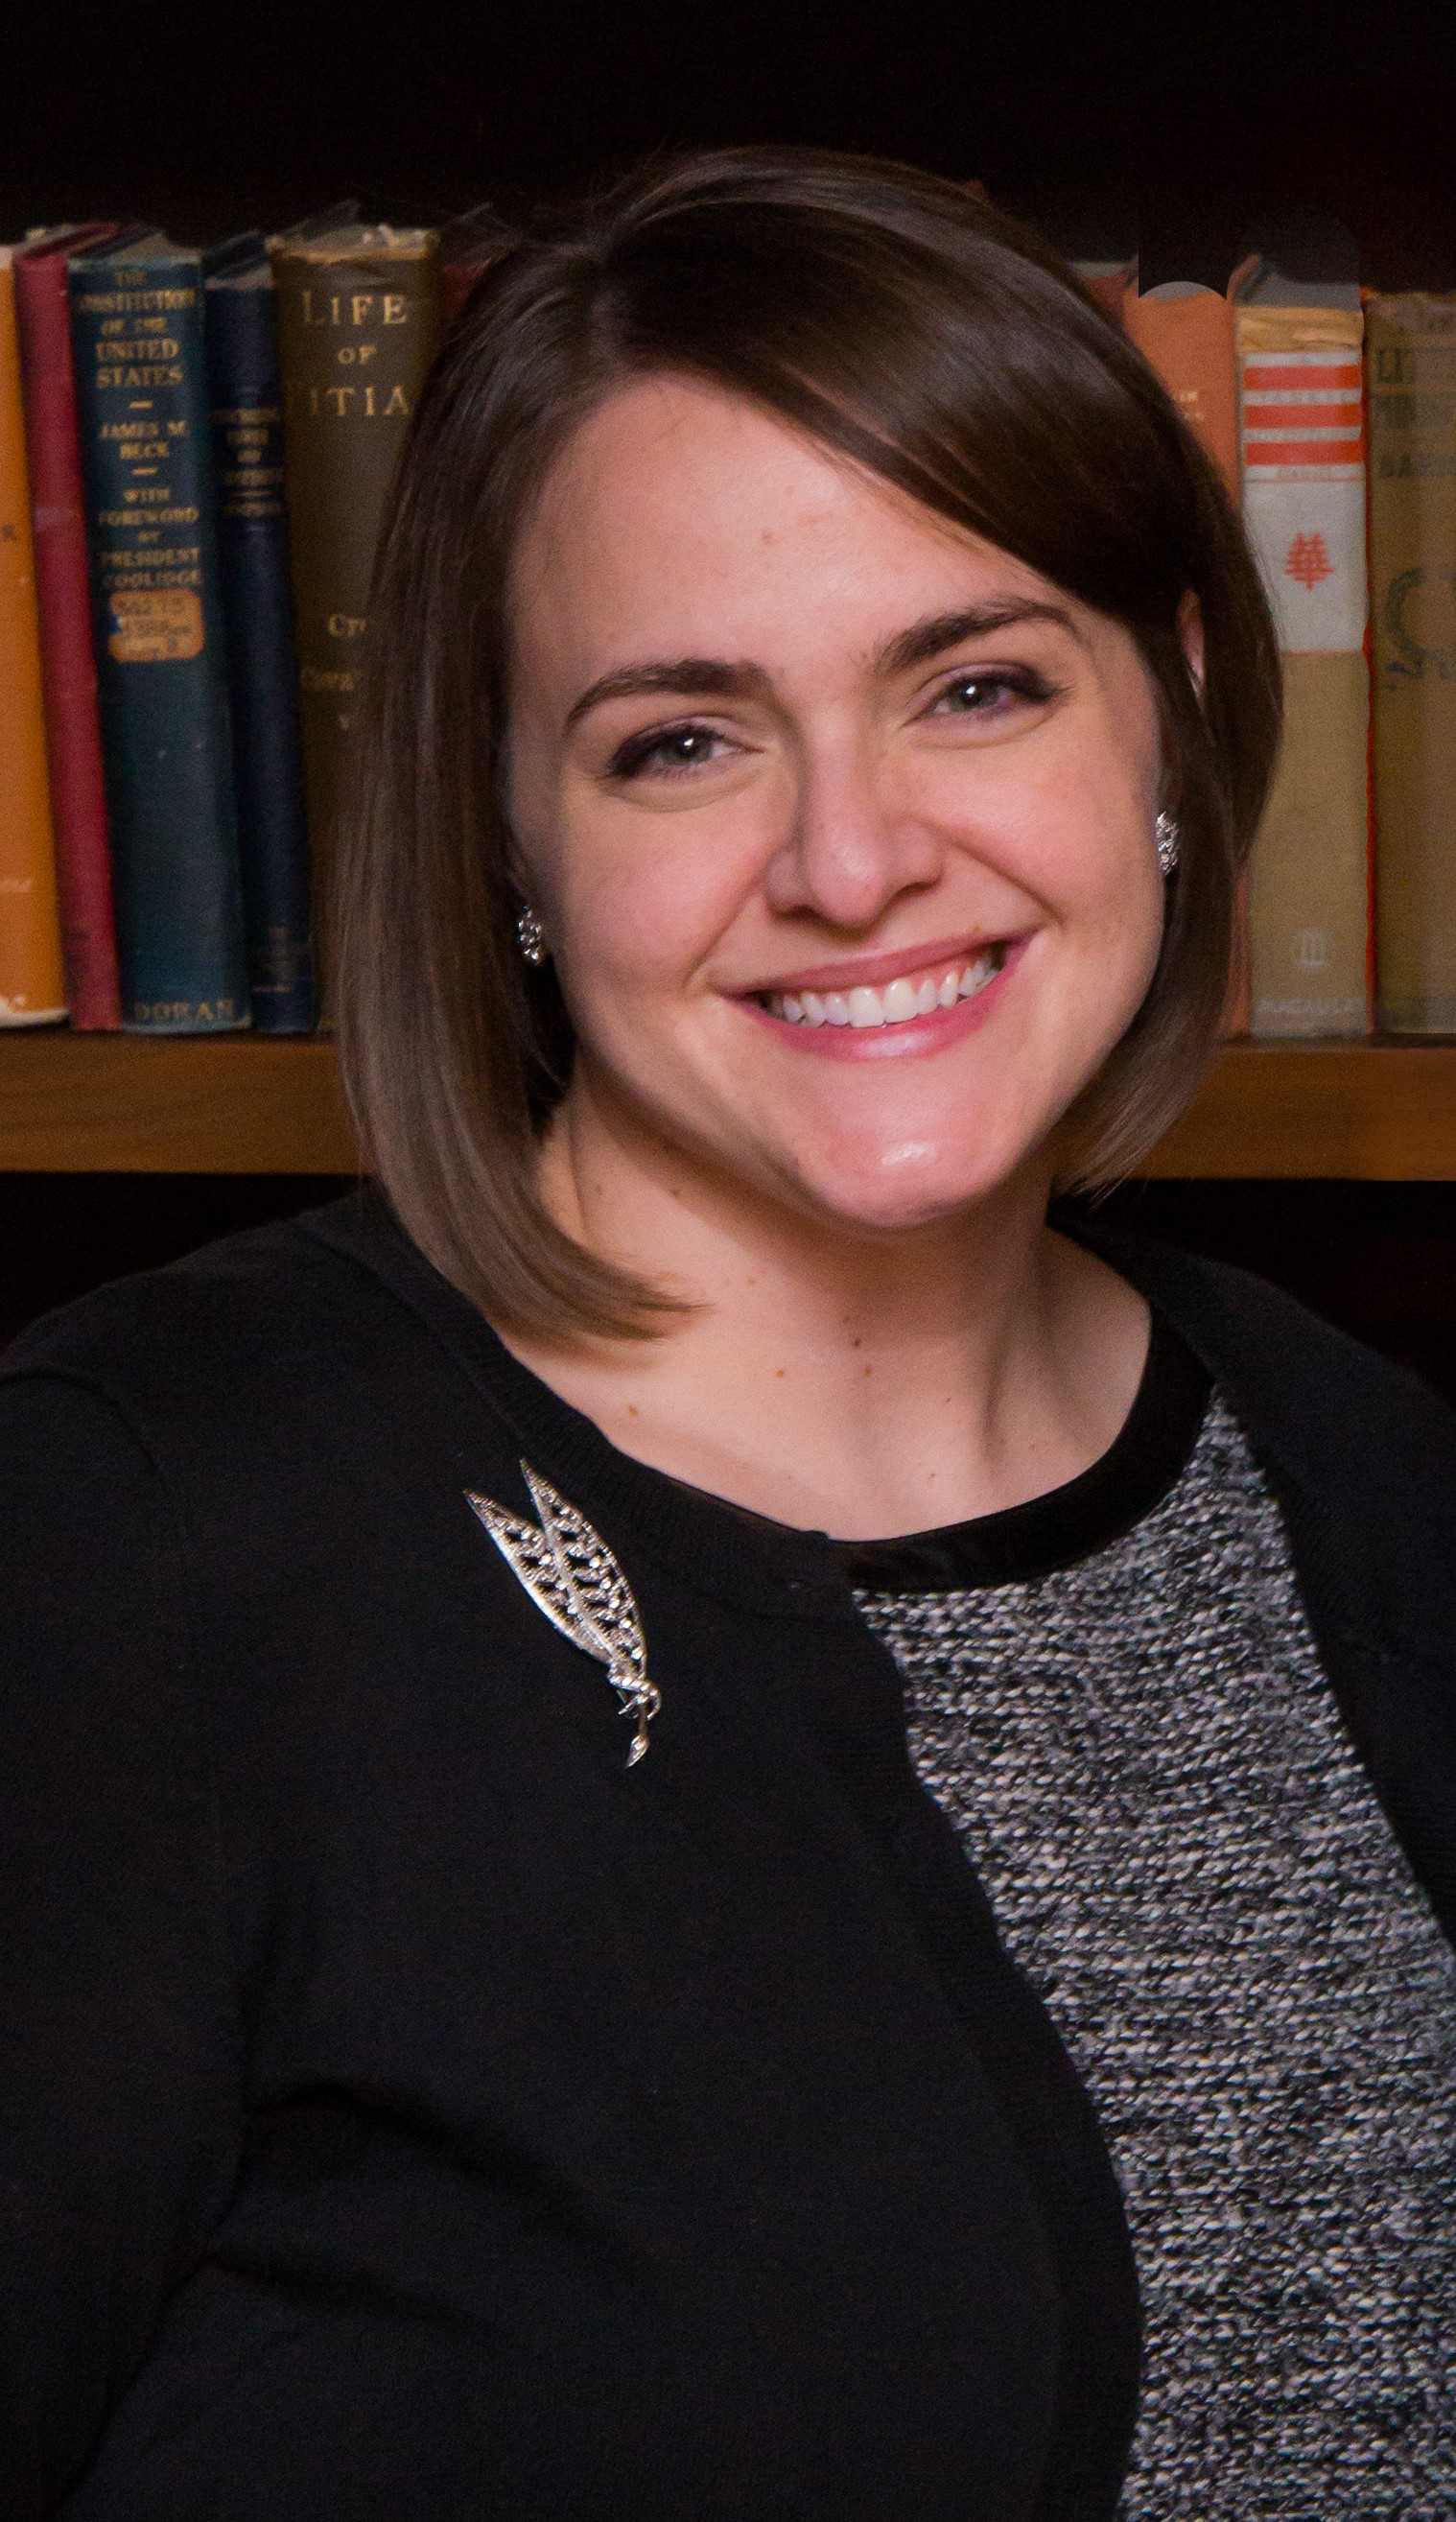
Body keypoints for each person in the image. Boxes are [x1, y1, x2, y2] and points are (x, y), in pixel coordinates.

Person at [3, 148, 1453, 2522]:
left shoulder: (1360, 1477)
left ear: (1171, 718)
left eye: (977, 685)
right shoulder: (139, 1539)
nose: (854, 860)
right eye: (681, 737)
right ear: (507, 832)